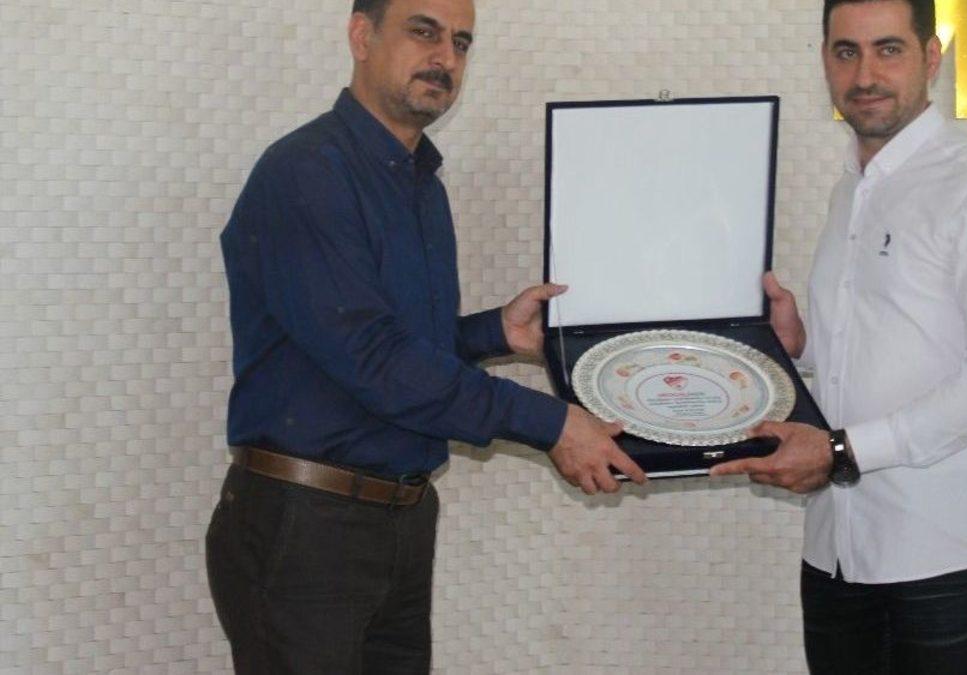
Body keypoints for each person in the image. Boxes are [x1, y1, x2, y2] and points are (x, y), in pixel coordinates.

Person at [206, 0, 647, 672]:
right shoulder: (306, 173)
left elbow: (395, 347)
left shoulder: (420, 185)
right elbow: (375, 360)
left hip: (402, 518)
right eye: (423, 32)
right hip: (306, 527)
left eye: (461, 43)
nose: (445, 58)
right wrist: (552, 422)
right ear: (361, 35)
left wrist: (491, 332)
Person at [711, 0, 967, 672]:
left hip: (948, 559)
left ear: (932, 57)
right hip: (837, 553)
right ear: (825, 61)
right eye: (846, 52)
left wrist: (841, 450)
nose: (864, 75)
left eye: (888, 49)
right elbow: (887, 348)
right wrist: (800, 345)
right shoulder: (850, 190)